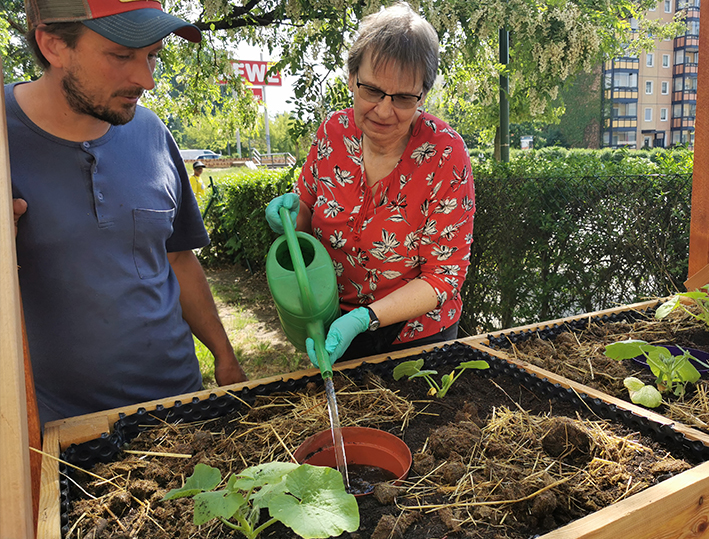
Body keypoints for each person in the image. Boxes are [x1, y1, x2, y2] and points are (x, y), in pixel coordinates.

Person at [9, 0, 247, 427]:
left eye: (152, 55)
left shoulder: (153, 133)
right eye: (121, 55)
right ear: (53, 45)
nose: (147, 80)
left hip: (182, 409)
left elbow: (178, 258)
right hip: (62, 431)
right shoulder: (1, 140)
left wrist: (225, 357)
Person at [265, 3, 475, 368]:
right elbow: (306, 213)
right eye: (372, 90)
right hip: (332, 320)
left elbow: (444, 277)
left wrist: (365, 318)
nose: (383, 110)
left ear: (423, 95)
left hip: (417, 336)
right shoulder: (333, 133)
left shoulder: (445, 154)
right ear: (351, 78)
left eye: (404, 98)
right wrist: (288, 215)